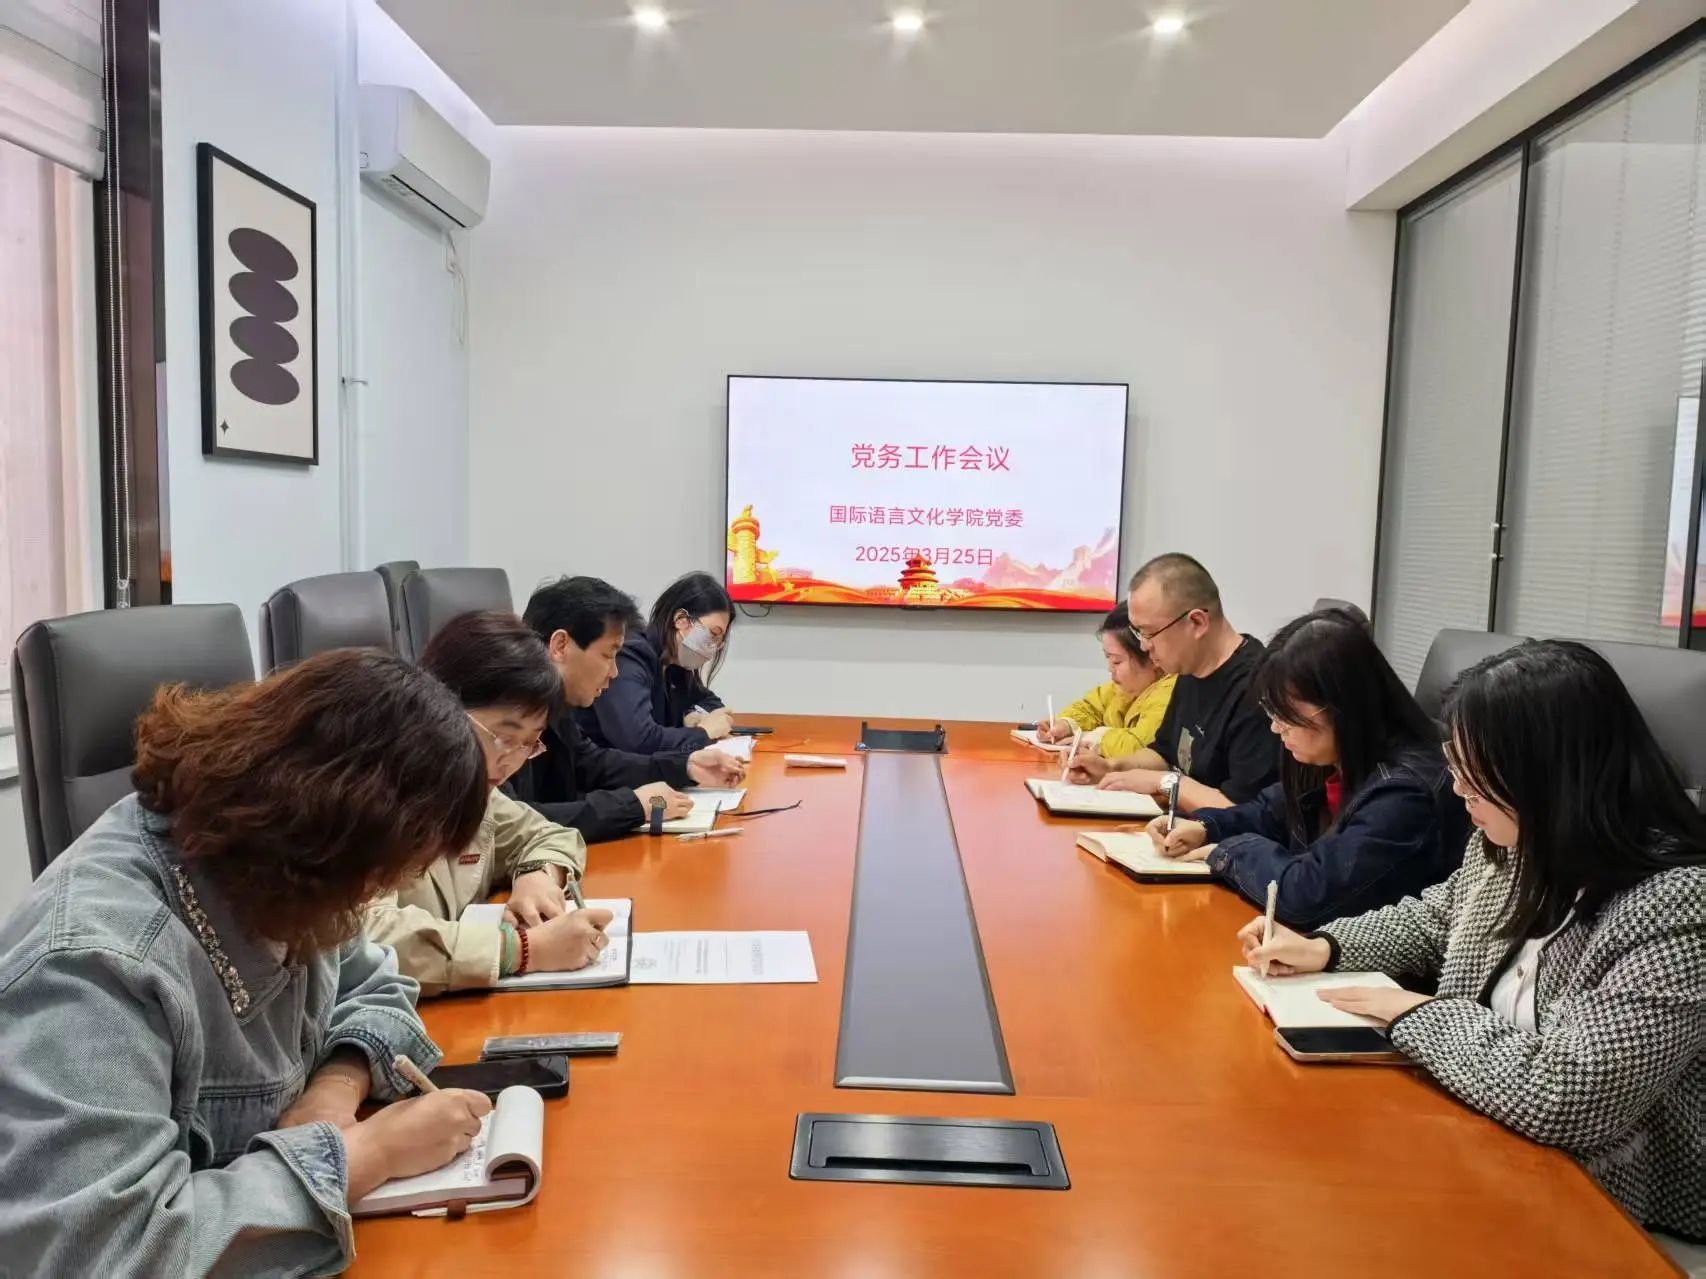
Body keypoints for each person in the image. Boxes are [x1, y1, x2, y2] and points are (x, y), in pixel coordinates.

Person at [0, 650, 499, 1274]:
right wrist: (366, 1156)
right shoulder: (94, 964)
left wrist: (336, 1086)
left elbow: (376, 984)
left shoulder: (274, 868)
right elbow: (105, 1250)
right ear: (326, 829)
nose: (388, 889)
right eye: (385, 872)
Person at [1241, 640, 1705, 1258]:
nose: (1457, 790)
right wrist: (1325, 946)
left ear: (1548, 774)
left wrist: (1417, 1013)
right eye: (1454, 766)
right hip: (1483, 1141)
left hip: (1617, 1210)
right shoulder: (1512, 843)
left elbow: (1566, 1097)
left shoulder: (1677, 906)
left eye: (1474, 774)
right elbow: (1436, 919)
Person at [1147, 608, 1468, 928]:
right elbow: (1270, 811)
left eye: (1287, 716)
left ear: (1341, 707)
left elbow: (1308, 894)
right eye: (1272, 713)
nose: (1276, 728)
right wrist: (1205, 828)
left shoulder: (1406, 794)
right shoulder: (1332, 753)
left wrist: (1226, 852)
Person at [365, 610, 615, 996]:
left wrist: (538, 875)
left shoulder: (474, 789)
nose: (512, 760)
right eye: (503, 737)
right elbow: (363, 939)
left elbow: (548, 834)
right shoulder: (371, 794)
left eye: (529, 742)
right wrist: (520, 949)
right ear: (439, 708)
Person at [511, 576, 747, 837]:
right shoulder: (501, 714)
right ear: (560, 646)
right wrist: (635, 806)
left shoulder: (555, 708)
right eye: (608, 655)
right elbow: (513, 822)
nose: (614, 672)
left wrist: (686, 767)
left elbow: (593, 764)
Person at [1067, 553, 1280, 811]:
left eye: (1149, 633)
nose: (1144, 646)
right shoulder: (1188, 670)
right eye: (1138, 632)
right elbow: (1164, 753)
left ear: (1197, 623)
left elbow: (1244, 810)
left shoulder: (1257, 690)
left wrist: (1163, 783)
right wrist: (1111, 768)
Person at [576, 570, 736, 754]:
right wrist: (703, 733)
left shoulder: (675, 667)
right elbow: (638, 740)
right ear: (681, 620)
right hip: (603, 769)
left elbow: (712, 703)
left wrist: (691, 714)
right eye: (713, 634)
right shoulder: (629, 657)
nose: (713, 648)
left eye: (719, 641)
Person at [1035, 602, 1176, 758]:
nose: (1110, 668)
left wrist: (1092, 739)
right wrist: (1066, 724)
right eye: (1107, 658)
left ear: (1151, 656)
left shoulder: (1172, 693)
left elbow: (1140, 745)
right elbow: (1090, 708)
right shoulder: (1124, 688)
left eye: (1116, 661)